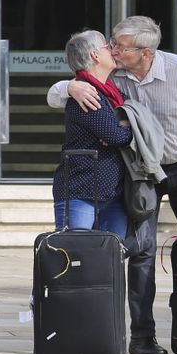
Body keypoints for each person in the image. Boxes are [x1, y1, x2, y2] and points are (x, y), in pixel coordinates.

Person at [47, 15, 177, 354]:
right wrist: (69, 86)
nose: (114, 49)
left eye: (120, 46)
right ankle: (142, 337)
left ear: (145, 51)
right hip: (140, 175)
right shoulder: (114, 76)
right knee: (141, 252)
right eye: (111, 44)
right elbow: (60, 93)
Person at [51, 30, 132, 238]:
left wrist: (123, 125)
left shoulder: (111, 92)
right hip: (81, 189)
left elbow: (118, 132)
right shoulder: (86, 94)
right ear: (95, 55)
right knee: (75, 256)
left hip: (112, 191)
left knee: (111, 258)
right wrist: (124, 127)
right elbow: (117, 137)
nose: (112, 51)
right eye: (107, 47)